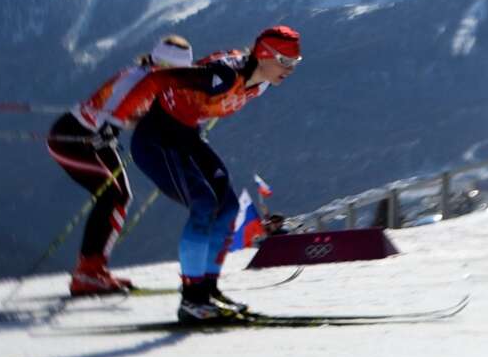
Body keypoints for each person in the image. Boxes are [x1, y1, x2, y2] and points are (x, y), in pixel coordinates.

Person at [127, 26, 300, 325]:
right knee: (205, 205)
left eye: (295, 62)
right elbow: (158, 78)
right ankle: (192, 300)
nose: (290, 69)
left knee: (229, 209)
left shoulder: (260, 83)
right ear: (263, 54)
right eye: (285, 61)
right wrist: (119, 115)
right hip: (155, 140)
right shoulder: (222, 75)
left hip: (186, 137)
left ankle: (207, 291)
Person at [46, 34, 194, 296]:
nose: (175, 77)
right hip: (71, 138)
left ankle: (94, 269)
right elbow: (112, 116)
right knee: (110, 195)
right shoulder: (134, 79)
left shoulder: (154, 79)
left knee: (121, 196)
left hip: (95, 141)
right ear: (158, 64)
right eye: (171, 70)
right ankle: (87, 275)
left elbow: (132, 116)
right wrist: (112, 128)